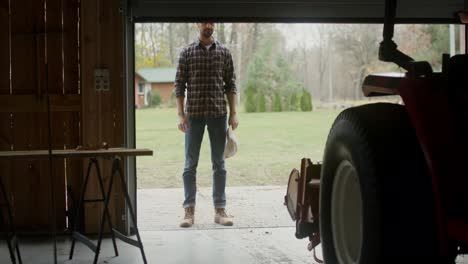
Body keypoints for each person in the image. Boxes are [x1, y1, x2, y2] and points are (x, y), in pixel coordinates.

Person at [174, 22, 239, 228]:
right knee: (189, 164)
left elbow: (231, 84)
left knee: (219, 164)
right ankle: (188, 211)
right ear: (197, 24)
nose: (208, 25)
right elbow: (179, 84)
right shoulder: (187, 52)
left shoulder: (224, 53)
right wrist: (180, 115)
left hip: (218, 114)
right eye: (204, 22)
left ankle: (220, 210)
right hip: (193, 116)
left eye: (211, 22)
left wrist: (234, 113)